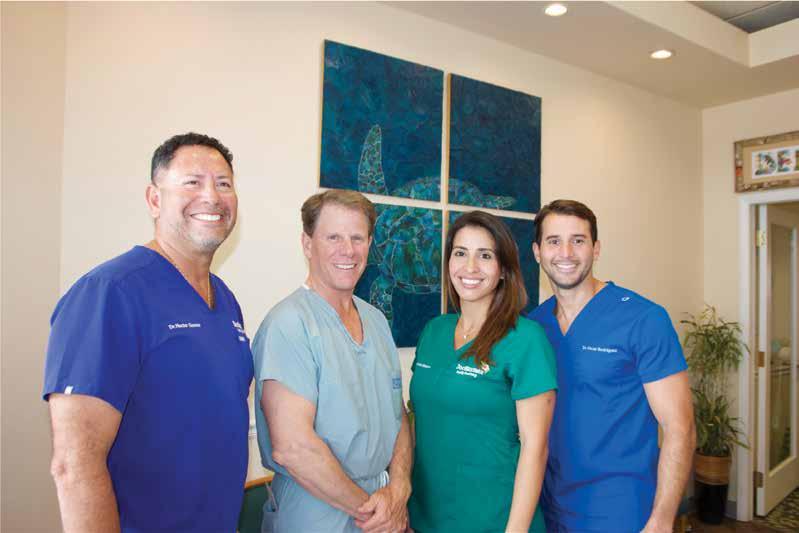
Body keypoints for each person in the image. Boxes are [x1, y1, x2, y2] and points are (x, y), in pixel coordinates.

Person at [43, 132, 253, 533]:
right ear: (155, 199)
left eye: (224, 184)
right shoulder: (110, 293)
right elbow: (75, 464)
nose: (211, 196)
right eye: (192, 182)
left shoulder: (225, 300)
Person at [528, 199, 696, 532]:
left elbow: (681, 428)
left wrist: (662, 519)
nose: (566, 252)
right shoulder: (534, 326)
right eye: (554, 241)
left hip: (620, 508)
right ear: (537, 252)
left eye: (578, 240)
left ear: (596, 249)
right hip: (549, 505)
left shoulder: (643, 319)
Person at [252, 189, 412, 533]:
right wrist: (375, 514)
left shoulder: (376, 321)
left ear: (370, 244)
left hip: (381, 506)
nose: (348, 250)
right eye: (333, 237)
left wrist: (399, 488)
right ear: (307, 244)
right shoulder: (289, 324)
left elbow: (397, 415)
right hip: (317, 512)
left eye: (357, 238)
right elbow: (293, 448)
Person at [408, 210, 557, 532]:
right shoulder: (434, 331)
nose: (470, 267)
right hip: (425, 518)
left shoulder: (525, 339)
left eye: (485, 255)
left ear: (503, 269)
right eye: (460, 253)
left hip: (495, 520)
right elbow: (418, 422)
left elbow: (535, 448)